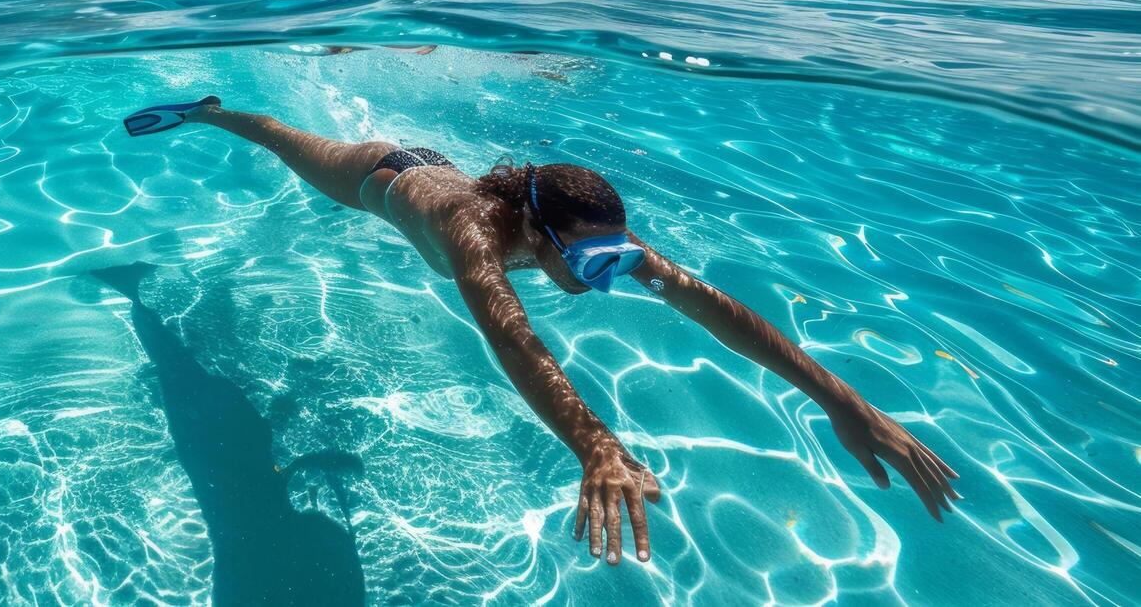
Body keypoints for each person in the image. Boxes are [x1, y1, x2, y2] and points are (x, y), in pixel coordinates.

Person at [125, 96, 960, 566]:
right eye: (589, 266)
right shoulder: (474, 237)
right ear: (538, 236)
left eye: (615, 261)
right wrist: (595, 446)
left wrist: (839, 398)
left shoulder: (577, 236)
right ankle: (209, 112)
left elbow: (710, 306)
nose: (604, 280)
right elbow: (510, 335)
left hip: (456, 175)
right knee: (282, 142)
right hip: (379, 175)